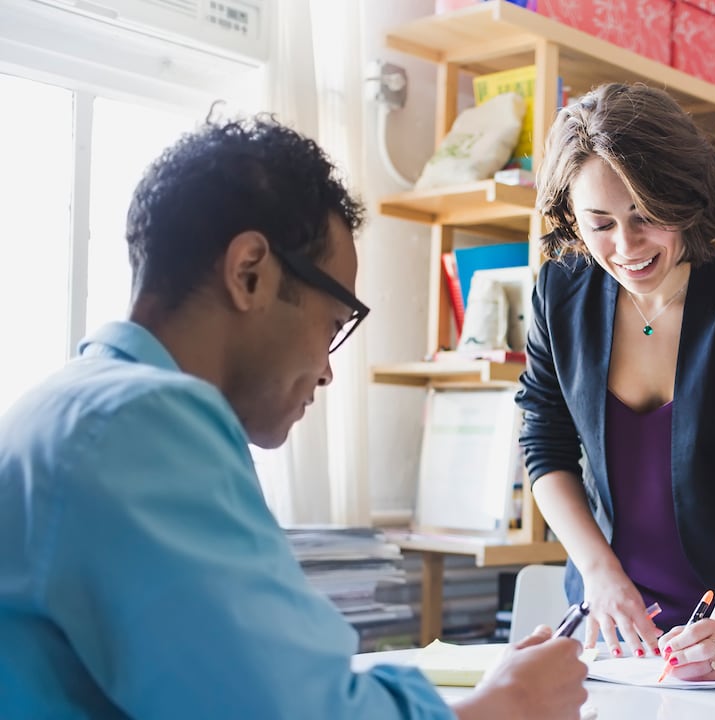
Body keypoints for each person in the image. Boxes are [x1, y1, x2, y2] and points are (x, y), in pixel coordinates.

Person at [0, 116, 588, 719]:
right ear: (249, 272)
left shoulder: (69, 407)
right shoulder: (141, 427)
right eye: (334, 325)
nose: (328, 371)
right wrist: (507, 705)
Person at [516, 82, 715, 681]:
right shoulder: (559, 294)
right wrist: (601, 574)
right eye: (599, 224)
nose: (625, 248)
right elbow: (544, 449)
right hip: (613, 624)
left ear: (686, 199)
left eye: (646, 217)